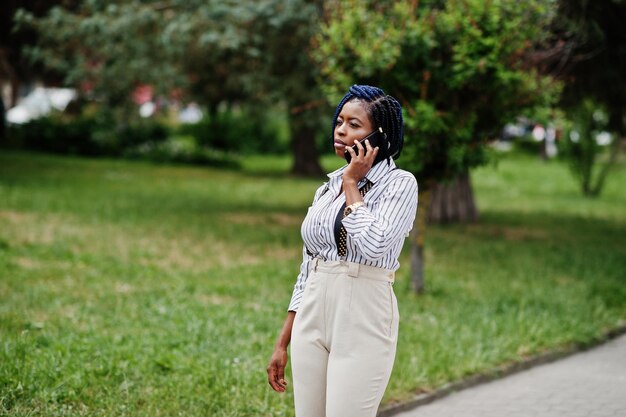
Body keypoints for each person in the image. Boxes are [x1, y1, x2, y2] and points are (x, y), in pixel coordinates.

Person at [267, 85, 418, 417]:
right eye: (340, 121)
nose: (340, 129)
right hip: (313, 311)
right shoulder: (327, 187)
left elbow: (376, 246)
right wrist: (283, 341)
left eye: (354, 125)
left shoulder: (400, 184)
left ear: (379, 137)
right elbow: (309, 267)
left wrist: (353, 185)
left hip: (362, 311)